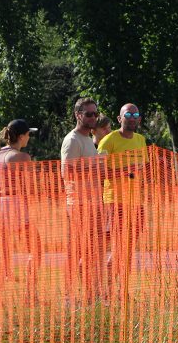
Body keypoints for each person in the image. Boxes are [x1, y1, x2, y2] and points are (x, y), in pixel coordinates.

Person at [0, 118, 41, 306]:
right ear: (20, 136)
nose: (28, 138)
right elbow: (29, 185)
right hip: (13, 204)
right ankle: (30, 296)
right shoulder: (22, 157)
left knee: (3, 254)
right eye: (27, 135)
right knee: (36, 249)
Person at [96, 103, 148, 292]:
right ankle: (107, 289)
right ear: (120, 119)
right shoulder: (108, 141)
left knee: (128, 247)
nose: (132, 117)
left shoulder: (141, 140)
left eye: (136, 114)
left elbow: (143, 168)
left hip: (136, 201)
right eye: (128, 114)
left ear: (139, 119)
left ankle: (121, 289)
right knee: (119, 244)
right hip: (115, 199)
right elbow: (99, 172)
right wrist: (128, 172)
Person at [60, 98, 106, 301]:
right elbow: (66, 172)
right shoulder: (72, 140)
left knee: (92, 251)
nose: (93, 117)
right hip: (79, 204)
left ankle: (90, 292)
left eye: (95, 114)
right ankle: (69, 295)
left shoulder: (88, 139)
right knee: (77, 250)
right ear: (78, 115)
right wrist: (95, 168)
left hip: (93, 203)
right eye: (89, 114)